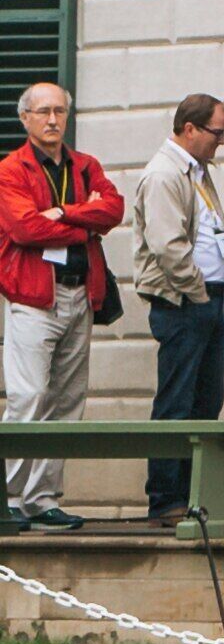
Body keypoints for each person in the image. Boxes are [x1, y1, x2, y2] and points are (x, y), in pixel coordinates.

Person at [0, 82, 126, 530]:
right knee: (29, 397)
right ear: (25, 118)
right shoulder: (11, 170)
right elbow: (25, 229)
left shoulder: (86, 165)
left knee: (67, 402)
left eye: (60, 111)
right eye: (43, 112)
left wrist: (64, 213)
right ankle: (7, 498)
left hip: (79, 293)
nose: (53, 120)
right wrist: (85, 222)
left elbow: (113, 209)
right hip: (33, 297)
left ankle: (41, 499)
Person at [132, 93, 224, 525]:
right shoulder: (164, 174)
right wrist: (200, 294)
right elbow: (168, 247)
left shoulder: (197, 170)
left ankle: (193, 495)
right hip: (185, 301)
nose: (221, 141)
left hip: (209, 299)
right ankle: (166, 500)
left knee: (207, 401)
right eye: (217, 132)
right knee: (177, 401)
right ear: (189, 128)